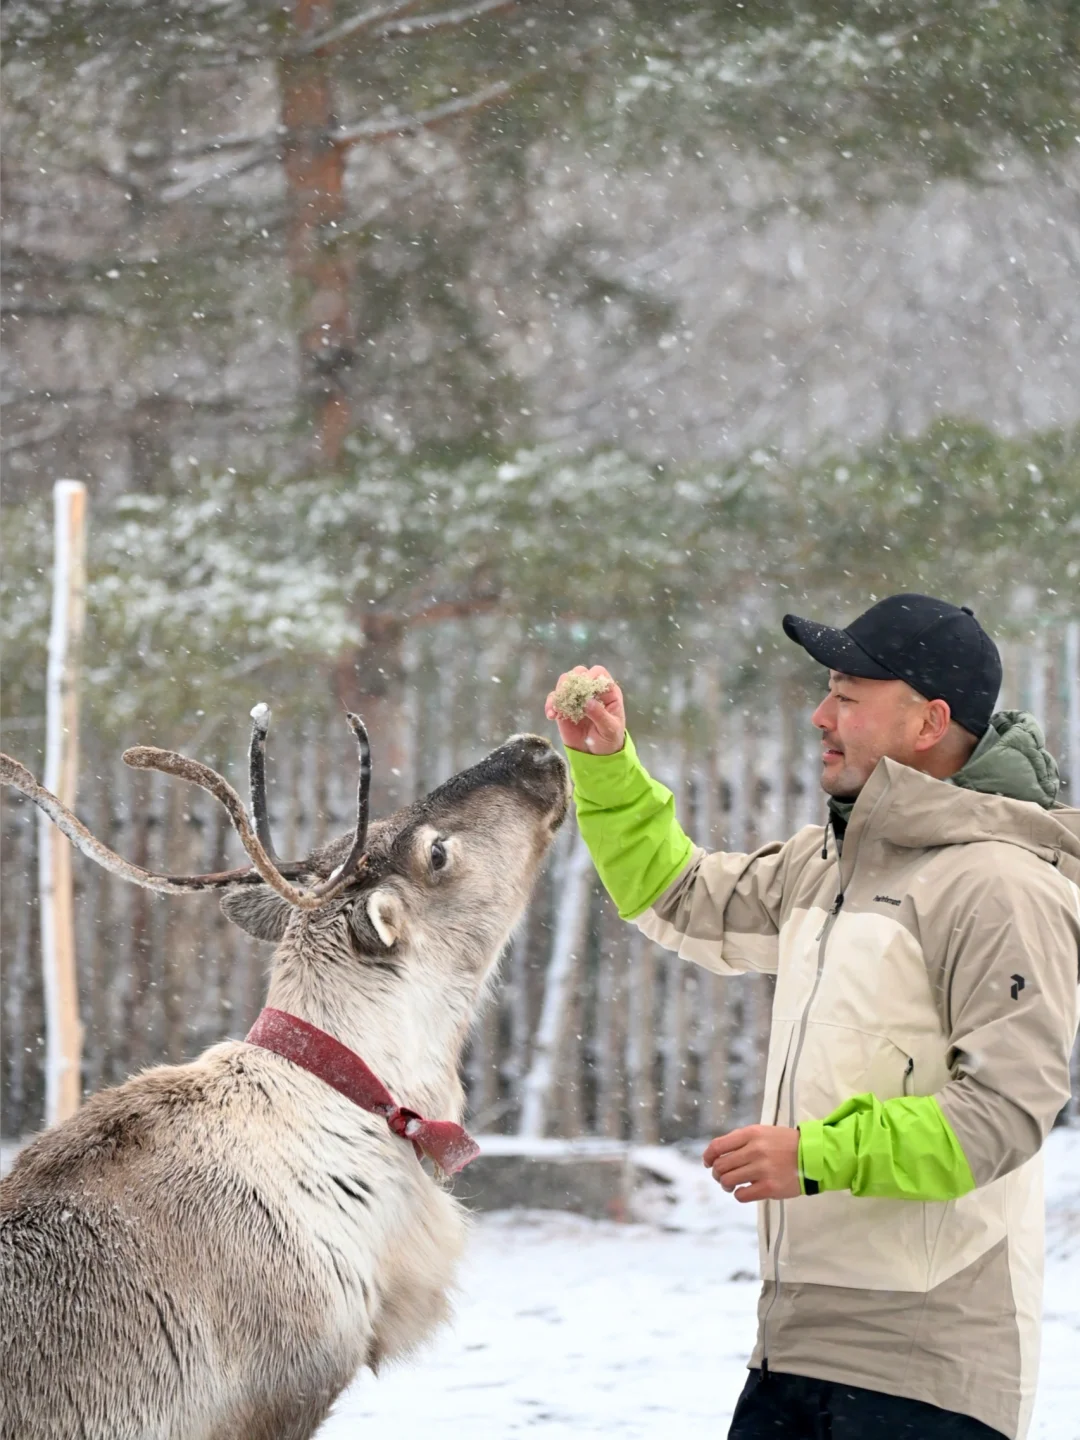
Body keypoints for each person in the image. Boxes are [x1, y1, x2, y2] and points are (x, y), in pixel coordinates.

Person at [545, 594, 1080, 1440]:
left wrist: (817, 1155)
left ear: (929, 722)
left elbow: (1004, 1115)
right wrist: (608, 767)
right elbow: (678, 897)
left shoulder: (1001, 887)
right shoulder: (823, 863)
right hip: (792, 1351)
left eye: (849, 695)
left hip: (927, 1376)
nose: (819, 714)